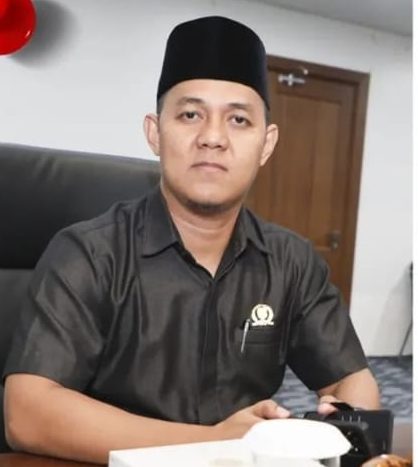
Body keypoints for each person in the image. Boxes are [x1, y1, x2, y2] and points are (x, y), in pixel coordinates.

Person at [3, 16, 379, 464]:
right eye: (190, 115)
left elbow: (351, 381)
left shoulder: (292, 261)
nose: (213, 138)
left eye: (238, 119)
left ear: (266, 144)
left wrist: (344, 417)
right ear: (155, 133)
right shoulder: (89, 253)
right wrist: (216, 442)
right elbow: (28, 413)